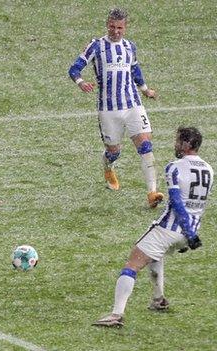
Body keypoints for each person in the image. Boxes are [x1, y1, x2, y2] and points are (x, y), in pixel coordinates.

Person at [93, 127, 213, 327]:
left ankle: (116, 314)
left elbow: (176, 201)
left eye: (177, 141)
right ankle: (159, 300)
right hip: (190, 231)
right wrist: (191, 234)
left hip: (171, 229)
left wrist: (188, 232)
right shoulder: (209, 170)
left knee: (132, 264)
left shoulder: (175, 167)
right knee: (156, 255)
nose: (175, 144)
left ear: (186, 145)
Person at [68, 8, 164, 208]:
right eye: (112, 27)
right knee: (114, 151)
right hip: (108, 109)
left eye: (120, 27)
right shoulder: (96, 45)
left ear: (125, 27)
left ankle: (152, 192)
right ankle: (108, 166)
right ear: (107, 25)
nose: (116, 31)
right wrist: (80, 82)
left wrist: (145, 90)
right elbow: (74, 68)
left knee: (145, 144)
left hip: (133, 105)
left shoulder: (130, 46)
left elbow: (135, 70)